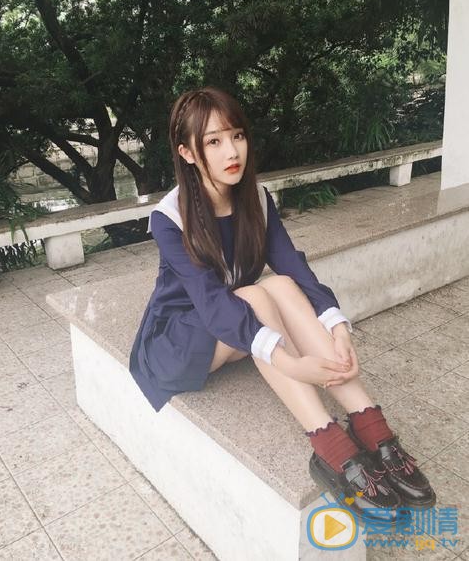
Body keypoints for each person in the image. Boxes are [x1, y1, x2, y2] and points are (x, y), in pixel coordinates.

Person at [129, 86, 436, 522]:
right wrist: (291, 363)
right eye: (213, 141)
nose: (231, 151)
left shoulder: (254, 197)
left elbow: (294, 266)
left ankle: (368, 420)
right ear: (188, 153)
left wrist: (338, 327)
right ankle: (325, 440)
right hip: (178, 341)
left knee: (284, 284)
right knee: (256, 294)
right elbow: (211, 303)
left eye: (236, 135)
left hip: (235, 324)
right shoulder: (170, 217)